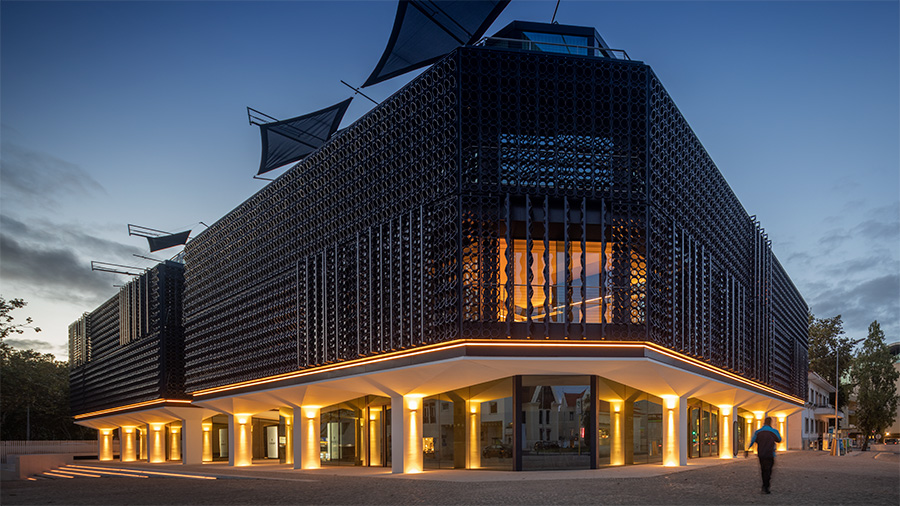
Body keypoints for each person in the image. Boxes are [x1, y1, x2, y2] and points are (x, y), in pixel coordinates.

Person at [749, 416, 782, 494]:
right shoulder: (774, 431)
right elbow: (779, 440)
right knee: (769, 470)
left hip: (761, 453)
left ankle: (764, 485)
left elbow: (753, 441)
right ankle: (766, 486)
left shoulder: (758, 432)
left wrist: (747, 449)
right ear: (770, 422)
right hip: (770, 453)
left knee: (763, 469)